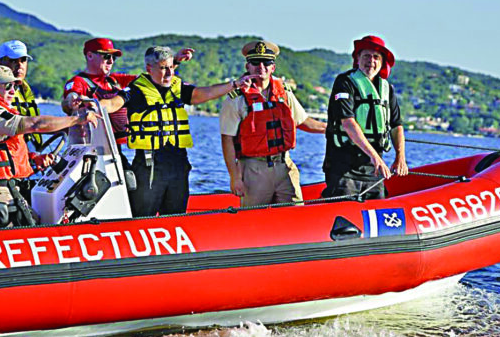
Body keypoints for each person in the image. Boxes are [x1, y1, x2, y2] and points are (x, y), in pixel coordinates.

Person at [73, 46, 253, 217]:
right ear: (149, 68)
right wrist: (94, 105)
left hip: (178, 162)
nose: (169, 73)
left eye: (170, 68)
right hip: (149, 164)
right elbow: (113, 103)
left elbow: (203, 93)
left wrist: (235, 84)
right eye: (163, 68)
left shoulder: (178, 86)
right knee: (143, 215)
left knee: (176, 214)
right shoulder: (137, 89)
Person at [0, 65, 100, 227]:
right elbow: (35, 124)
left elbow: (1, 150)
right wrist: (77, 119)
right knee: (34, 221)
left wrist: (33, 160)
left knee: (34, 210)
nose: (13, 91)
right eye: (7, 85)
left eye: (15, 86)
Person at [219, 41, 327, 206]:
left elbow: (303, 121)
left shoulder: (284, 93)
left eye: (267, 62)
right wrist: (235, 178)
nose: (261, 66)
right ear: (248, 66)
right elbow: (227, 139)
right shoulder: (236, 99)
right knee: (254, 221)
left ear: (273, 67)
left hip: (284, 166)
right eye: (256, 62)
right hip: (253, 169)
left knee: (296, 214)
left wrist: (335, 128)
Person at [61, 37, 194, 144]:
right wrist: (72, 100)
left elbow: (153, 78)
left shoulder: (115, 80)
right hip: (91, 147)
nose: (111, 61)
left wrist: (175, 61)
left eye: (114, 58)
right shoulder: (78, 82)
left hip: (116, 148)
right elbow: (70, 99)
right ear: (90, 56)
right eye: (107, 56)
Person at [322, 35, 408, 200]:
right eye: (366, 56)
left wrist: (400, 157)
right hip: (344, 168)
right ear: (358, 59)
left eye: (376, 57)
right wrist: (375, 157)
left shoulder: (387, 89)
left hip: (373, 171)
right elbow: (348, 123)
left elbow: (397, 125)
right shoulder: (345, 82)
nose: (371, 61)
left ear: (382, 62)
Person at [0, 40, 44, 152]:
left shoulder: (23, 89)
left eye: (23, 60)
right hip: (8, 154)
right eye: (13, 61)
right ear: (0, 63)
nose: (20, 66)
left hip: (27, 151)